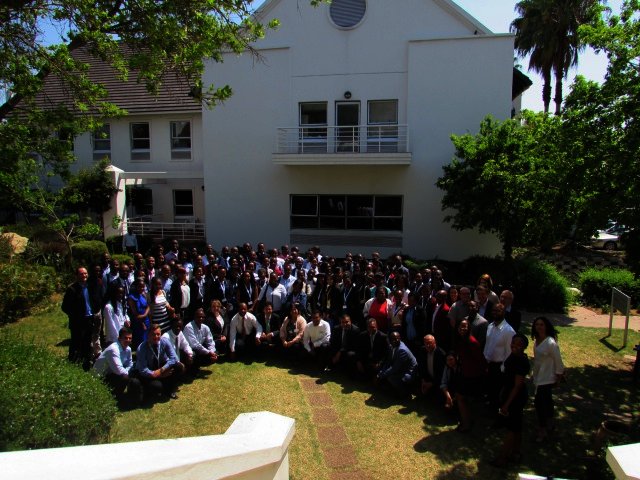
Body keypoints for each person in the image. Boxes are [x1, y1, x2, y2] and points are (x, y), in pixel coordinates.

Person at [490, 333, 530, 468]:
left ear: (524, 346)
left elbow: (517, 385)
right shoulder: (513, 356)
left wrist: (506, 404)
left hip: (516, 397)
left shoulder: (522, 361)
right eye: (514, 343)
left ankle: (502, 458)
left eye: (519, 344)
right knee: (517, 427)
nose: (515, 346)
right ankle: (516, 452)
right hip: (509, 392)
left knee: (511, 428)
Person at [531, 316, 565, 443]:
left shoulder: (550, 343)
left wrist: (558, 376)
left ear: (546, 326)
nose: (539, 327)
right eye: (537, 324)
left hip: (547, 378)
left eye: (542, 325)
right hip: (539, 375)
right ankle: (550, 422)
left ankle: (542, 429)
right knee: (547, 401)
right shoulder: (537, 340)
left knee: (539, 403)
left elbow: (558, 360)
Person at [61, 266, 102, 370]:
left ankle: (86, 363)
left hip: (89, 319)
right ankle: (73, 362)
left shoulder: (90, 287)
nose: (84, 275)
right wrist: (75, 315)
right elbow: (65, 307)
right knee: (76, 342)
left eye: (85, 273)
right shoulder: (72, 289)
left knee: (87, 342)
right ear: (77, 276)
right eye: (81, 274)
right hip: (78, 321)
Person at [93, 327, 142, 405]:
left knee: (133, 372)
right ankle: (115, 397)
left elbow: (130, 364)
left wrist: (129, 371)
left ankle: (130, 396)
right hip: (101, 378)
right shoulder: (113, 349)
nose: (128, 340)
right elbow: (119, 370)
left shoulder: (128, 349)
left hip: (113, 373)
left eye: (130, 338)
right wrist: (129, 374)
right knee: (124, 377)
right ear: (119, 338)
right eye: (125, 338)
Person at [454, 319, 487, 432]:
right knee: (462, 398)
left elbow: (481, 361)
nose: (462, 329)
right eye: (460, 326)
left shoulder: (472, 342)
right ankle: (466, 421)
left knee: (461, 398)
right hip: (464, 373)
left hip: (472, 376)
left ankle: (466, 424)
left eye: (465, 326)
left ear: (469, 328)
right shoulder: (461, 340)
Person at [136, 323, 184, 400]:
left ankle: (169, 390)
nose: (156, 337)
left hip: (160, 367)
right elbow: (143, 370)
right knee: (157, 386)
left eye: (158, 334)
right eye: (153, 334)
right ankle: (147, 391)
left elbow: (174, 358)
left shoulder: (165, 341)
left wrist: (162, 370)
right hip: (150, 372)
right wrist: (159, 375)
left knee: (179, 366)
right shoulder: (141, 348)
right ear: (148, 335)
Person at [484, 303, 516, 410]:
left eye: (498, 311)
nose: (495, 313)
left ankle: (497, 411)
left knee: (498, 392)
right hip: (489, 364)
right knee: (490, 389)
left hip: (500, 367)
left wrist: (503, 368)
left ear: (504, 312)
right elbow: (487, 345)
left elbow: (509, 352)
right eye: (494, 310)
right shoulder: (490, 326)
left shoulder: (508, 331)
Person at [377, 331, 418, 398]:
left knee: (391, 377)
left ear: (400, 338)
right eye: (393, 339)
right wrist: (381, 372)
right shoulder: (391, 346)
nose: (395, 340)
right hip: (400, 369)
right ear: (390, 340)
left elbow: (395, 368)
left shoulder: (402, 350)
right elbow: (388, 362)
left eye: (397, 338)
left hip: (409, 372)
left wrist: (382, 375)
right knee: (382, 372)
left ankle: (405, 393)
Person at [417, 334, 446, 400]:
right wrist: (423, 381)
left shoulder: (441, 354)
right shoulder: (422, 350)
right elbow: (421, 367)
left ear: (435, 342)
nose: (428, 345)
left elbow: (441, 374)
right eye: (426, 343)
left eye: (430, 343)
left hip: (438, 381)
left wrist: (430, 384)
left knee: (439, 397)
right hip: (427, 378)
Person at [128, 278, 151, 349]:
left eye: (143, 287)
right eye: (140, 287)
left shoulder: (143, 295)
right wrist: (142, 324)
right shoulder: (132, 298)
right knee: (141, 341)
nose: (141, 288)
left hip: (146, 320)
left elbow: (148, 306)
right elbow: (136, 314)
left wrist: (144, 315)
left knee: (147, 340)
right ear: (136, 286)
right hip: (138, 323)